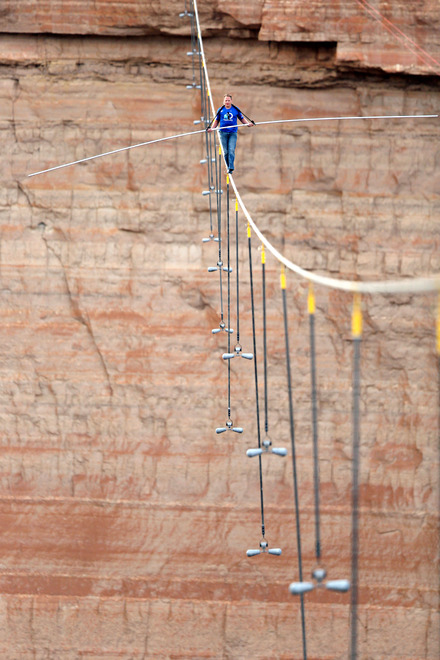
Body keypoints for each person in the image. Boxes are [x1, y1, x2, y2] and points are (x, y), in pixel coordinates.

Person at [207, 94, 253, 173]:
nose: (227, 102)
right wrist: (212, 128)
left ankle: (231, 167)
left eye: (228, 100)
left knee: (231, 150)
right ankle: (228, 167)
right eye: (226, 100)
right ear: (223, 101)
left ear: (231, 101)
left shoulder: (235, 109)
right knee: (225, 152)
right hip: (223, 133)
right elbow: (216, 121)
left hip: (233, 133)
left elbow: (242, 118)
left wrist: (247, 124)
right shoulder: (221, 110)